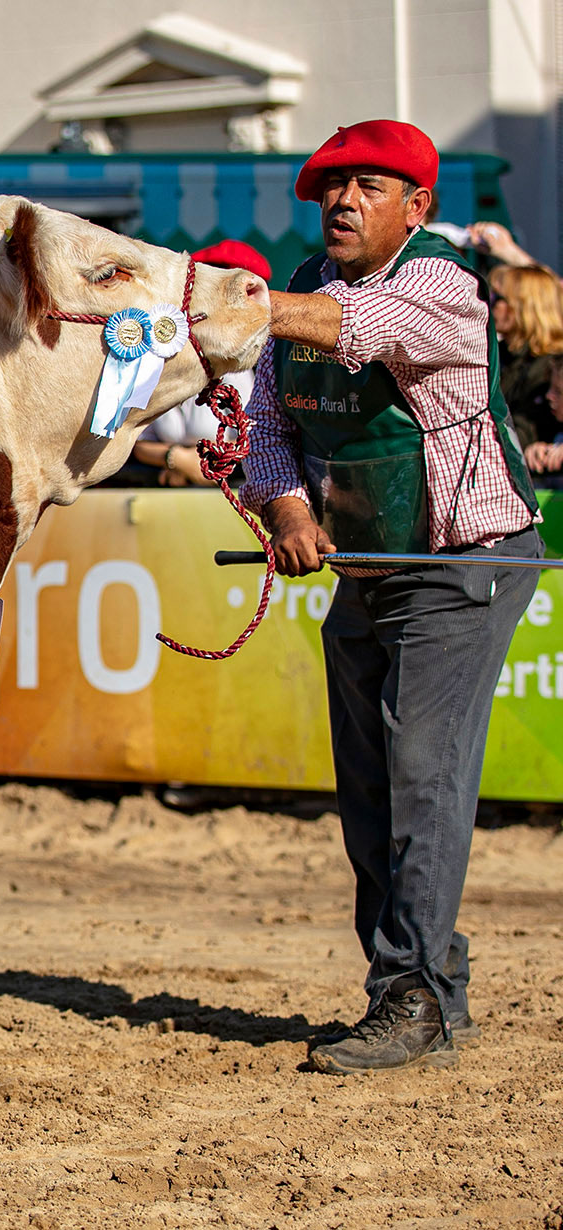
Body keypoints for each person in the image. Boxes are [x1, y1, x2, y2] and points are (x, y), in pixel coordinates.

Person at [244, 120, 542, 1075]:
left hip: (465, 562)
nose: (341, 201)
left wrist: (227, 303)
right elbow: (262, 428)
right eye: (331, 186)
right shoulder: (290, 291)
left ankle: (409, 995)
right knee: (369, 788)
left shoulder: (443, 282)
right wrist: (289, 513)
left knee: (424, 778)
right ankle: (429, 990)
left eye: (368, 186)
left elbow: (357, 331)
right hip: (368, 566)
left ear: (418, 206)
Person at [129, 240, 272, 486]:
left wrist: (196, 467)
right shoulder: (159, 358)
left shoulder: (255, 367)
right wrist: (176, 460)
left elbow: (258, 442)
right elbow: (136, 439)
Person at [484, 263, 563, 448]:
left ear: (522, 305)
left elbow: (526, 431)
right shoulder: (500, 352)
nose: (489, 302)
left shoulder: (551, 365)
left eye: (498, 297)